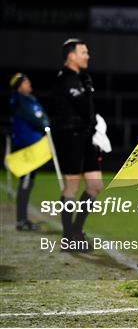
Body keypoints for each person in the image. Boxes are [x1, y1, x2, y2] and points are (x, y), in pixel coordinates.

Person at [51, 38, 103, 251]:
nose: (87, 56)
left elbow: (88, 111)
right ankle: (68, 237)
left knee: (95, 185)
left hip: (86, 137)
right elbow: (82, 105)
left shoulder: (84, 78)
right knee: (71, 186)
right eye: (84, 52)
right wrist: (89, 91)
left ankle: (76, 230)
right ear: (71, 56)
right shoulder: (65, 78)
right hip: (70, 137)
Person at [8, 73, 49, 231]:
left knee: (29, 182)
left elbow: (41, 117)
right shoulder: (19, 101)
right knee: (26, 182)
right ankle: (21, 221)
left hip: (34, 147)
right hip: (27, 148)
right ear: (19, 86)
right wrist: (45, 124)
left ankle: (23, 219)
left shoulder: (28, 99)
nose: (30, 84)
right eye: (26, 82)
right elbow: (38, 119)